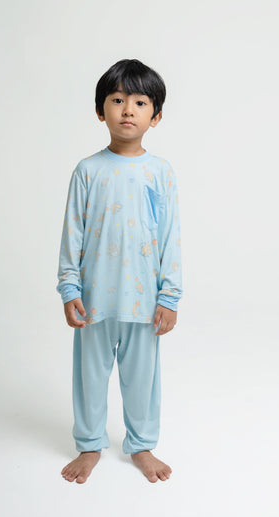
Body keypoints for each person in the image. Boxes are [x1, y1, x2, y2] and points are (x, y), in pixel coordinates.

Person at [56, 58, 183, 483]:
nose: (128, 109)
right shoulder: (87, 171)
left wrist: (169, 296)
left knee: (142, 380)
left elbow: (170, 237)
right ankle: (90, 444)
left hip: (144, 302)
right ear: (100, 110)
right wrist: (70, 289)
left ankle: (141, 445)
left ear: (155, 116)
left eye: (140, 102)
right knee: (90, 378)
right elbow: (72, 234)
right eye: (117, 100)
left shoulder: (160, 172)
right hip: (94, 300)